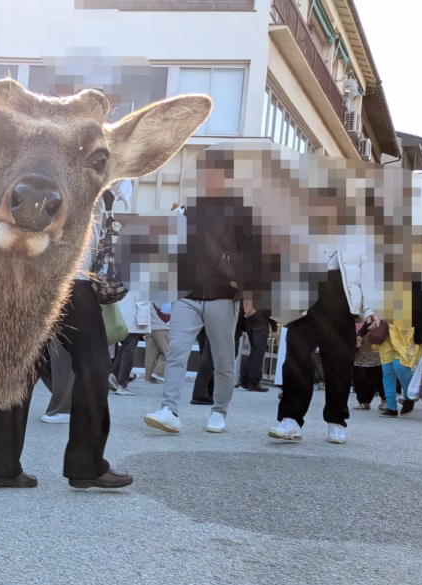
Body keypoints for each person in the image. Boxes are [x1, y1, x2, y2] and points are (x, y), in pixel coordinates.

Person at [0, 199, 133, 491]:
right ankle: (86, 465)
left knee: (21, 372)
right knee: (93, 365)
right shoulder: (85, 178)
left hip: (32, 278)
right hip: (70, 279)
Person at [145, 151, 259, 435]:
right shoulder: (188, 210)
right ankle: (169, 410)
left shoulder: (242, 212)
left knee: (223, 360)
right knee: (176, 353)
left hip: (223, 296)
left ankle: (219, 411)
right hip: (187, 295)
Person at [268, 184, 378, 444]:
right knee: (296, 360)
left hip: (341, 301)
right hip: (304, 301)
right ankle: (290, 419)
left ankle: (336, 421)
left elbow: (369, 275)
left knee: (339, 364)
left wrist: (371, 308)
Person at [351, 323, 384, 410]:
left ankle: (385, 400)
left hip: (376, 345)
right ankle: (364, 401)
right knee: (360, 376)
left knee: (379, 375)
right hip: (359, 348)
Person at [144, 302, 170, 384]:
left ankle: (149, 377)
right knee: (168, 352)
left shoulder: (146, 296)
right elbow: (167, 310)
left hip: (149, 327)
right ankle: (158, 373)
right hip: (161, 327)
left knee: (150, 354)